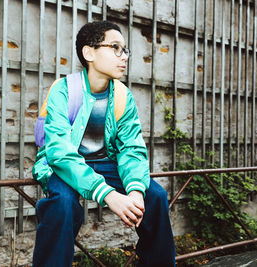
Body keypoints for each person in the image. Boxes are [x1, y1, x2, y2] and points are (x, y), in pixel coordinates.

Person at [32, 21, 176, 267]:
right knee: (62, 205)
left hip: (105, 163)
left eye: (125, 50)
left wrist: (135, 190)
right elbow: (59, 152)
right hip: (65, 165)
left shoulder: (122, 95)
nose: (125, 57)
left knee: (155, 196)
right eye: (116, 48)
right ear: (89, 53)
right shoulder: (63, 90)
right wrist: (108, 194)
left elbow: (132, 147)